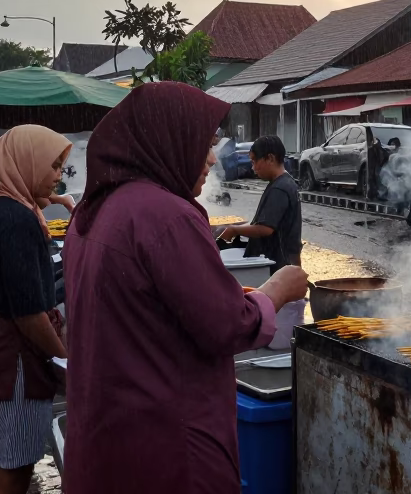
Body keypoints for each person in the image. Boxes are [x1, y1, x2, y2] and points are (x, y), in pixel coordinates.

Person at [63, 83, 308, 494]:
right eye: (204, 145)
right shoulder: (166, 216)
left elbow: (151, 307)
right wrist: (275, 290)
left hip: (108, 437)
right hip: (168, 448)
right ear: (167, 141)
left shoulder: (96, 210)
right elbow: (227, 325)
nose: (212, 159)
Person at [0, 125, 71, 494]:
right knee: (13, 474)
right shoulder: (16, 220)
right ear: (27, 163)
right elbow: (28, 312)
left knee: (1, 467)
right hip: (12, 367)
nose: (58, 176)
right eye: (53, 166)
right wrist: (65, 362)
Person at [222, 135, 303, 271]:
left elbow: (265, 228)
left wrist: (234, 230)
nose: (253, 168)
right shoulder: (282, 183)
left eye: (254, 161)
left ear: (270, 158)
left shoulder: (280, 188)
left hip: (279, 265)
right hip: (284, 263)